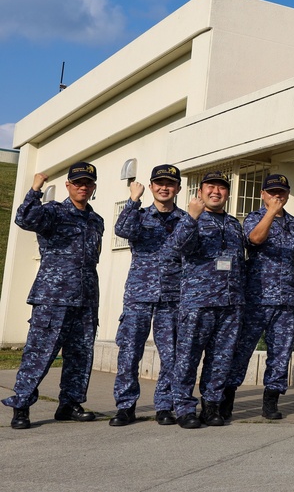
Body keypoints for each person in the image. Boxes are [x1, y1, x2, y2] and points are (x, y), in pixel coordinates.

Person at [3, 162, 104, 430]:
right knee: (39, 354)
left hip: (85, 299)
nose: (83, 187)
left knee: (80, 355)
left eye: (88, 183)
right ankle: (22, 405)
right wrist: (35, 190)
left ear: (93, 187)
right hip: (53, 298)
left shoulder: (96, 221)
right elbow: (24, 219)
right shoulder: (52, 212)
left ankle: (69, 404)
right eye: (78, 182)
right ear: (68, 185)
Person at [223, 174, 294, 421]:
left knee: (281, 353)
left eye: (281, 192)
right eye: (272, 193)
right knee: (242, 350)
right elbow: (255, 240)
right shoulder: (254, 218)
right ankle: (227, 398)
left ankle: (271, 401)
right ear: (263, 195)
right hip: (256, 298)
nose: (277, 197)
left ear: (288, 194)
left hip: (286, 300)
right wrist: (271, 213)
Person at [110, 164, 185, 427]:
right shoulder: (139, 216)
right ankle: (126, 406)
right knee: (130, 352)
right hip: (139, 295)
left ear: (177, 188)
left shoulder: (185, 219)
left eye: (170, 183)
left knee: (172, 354)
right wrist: (132, 200)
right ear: (152, 186)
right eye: (159, 183)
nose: (164, 187)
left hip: (172, 297)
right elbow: (121, 230)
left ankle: (165, 405)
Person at [171, 171, 246, 429]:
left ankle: (212, 406)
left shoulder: (235, 224)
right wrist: (192, 216)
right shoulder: (188, 218)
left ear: (228, 193)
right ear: (200, 191)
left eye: (222, 188)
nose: (216, 192)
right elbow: (176, 247)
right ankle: (183, 407)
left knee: (221, 358)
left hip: (229, 303)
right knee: (187, 357)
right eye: (210, 187)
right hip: (198, 301)